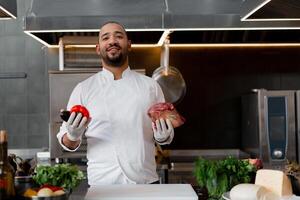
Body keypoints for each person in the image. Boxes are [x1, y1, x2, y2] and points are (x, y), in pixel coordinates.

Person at [57, 21, 174, 185]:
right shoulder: (83, 89)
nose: (112, 41)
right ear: (98, 48)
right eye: (106, 37)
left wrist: (163, 137)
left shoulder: (151, 87)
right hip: (102, 185)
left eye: (119, 36)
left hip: (144, 183)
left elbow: (165, 132)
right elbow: (66, 142)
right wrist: (72, 135)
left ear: (129, 45)